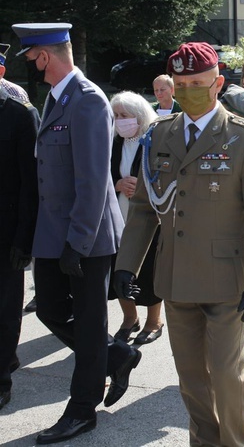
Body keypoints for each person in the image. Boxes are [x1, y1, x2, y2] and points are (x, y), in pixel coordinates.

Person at [114, 42, 244, 445]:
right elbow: (142, 209)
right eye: (182, 83)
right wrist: (125, 265)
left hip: (229, 281)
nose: (188, 89)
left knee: (227, 375)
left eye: (198, 83)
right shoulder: (160, 134)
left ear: (217, 83)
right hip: (177, 278)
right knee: (190, 378)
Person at [12, 22, 140, 444]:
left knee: (87, 324)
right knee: (49, 309)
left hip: (85, 235)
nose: (30, 66)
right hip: (55, 233)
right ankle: (117, 354)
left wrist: (78, 243)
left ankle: (82, 410)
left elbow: (91, 180)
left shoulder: (86, 101)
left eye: (31, 58)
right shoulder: (56, 97)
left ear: (44, 57)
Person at [0, 54, 39, 412]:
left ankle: (2, 380)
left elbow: (31, 185)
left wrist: (24, 239)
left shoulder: (19, 114)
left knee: (6, 308)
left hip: (6, 232)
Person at [109, 92, 163, 345]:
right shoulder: (112, 142)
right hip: (117, 217)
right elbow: (100, 174)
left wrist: (141, 185)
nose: (120, 121)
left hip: (148, 219)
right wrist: (117, 183)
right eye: (116, 116)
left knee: (150, 268)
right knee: (119, 269)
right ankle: (129, 318)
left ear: (139, 116)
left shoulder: (153, 141)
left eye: (125, 116)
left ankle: (154, 321)